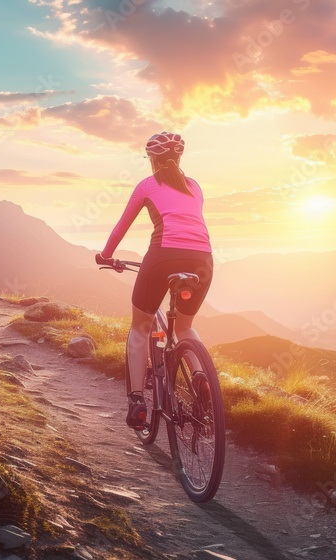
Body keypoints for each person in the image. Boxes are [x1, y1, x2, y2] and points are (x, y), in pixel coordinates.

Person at [96, 131, 214, 430]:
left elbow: (121, 226)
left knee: (141, 326)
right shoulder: (195, 187)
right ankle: (200, 377)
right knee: (185, 327)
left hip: (162, 256)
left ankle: (137, 401)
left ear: (152, 160)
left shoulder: (147, 185)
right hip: (203, 260)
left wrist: (106, 255)